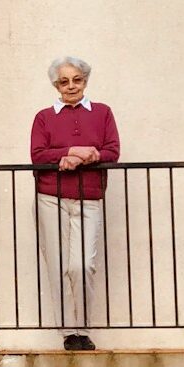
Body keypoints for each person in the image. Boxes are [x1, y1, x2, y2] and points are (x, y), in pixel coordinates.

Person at [29, 56, 121, 351]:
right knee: (58, 265)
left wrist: (86, 156)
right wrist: (69, 152)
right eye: (64, 81)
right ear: (56, 85)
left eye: (76, 80)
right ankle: (69, 331)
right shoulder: (44, 116)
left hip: (88, 197)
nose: (71, 86)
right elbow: (38, 155)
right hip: (50, 198)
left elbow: (112, 150)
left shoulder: (103, 112)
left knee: (82, 265)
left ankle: (83, 327)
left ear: (85, 81)